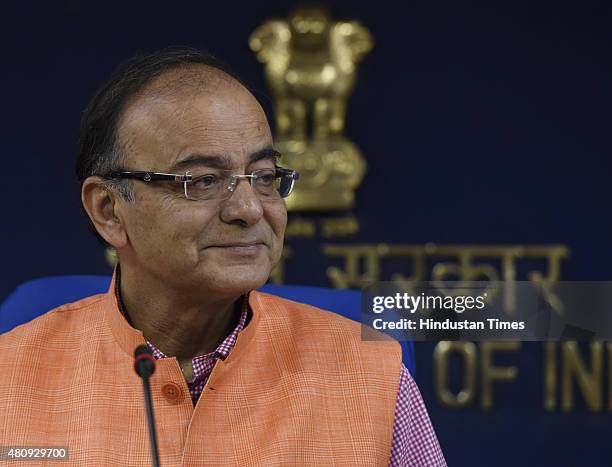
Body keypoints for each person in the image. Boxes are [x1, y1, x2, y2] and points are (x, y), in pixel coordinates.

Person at [0, 47, 445, 466]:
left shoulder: (371, 375)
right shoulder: (9, 380)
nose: (249, 209)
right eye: (203, 181)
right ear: (109, 209)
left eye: (265, 177)